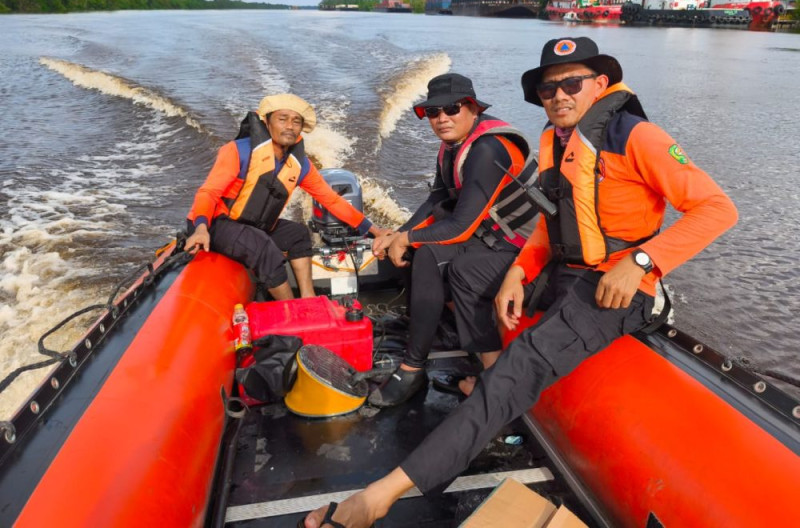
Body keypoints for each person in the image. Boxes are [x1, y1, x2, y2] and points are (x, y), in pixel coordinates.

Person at [303, 37, 738, 527]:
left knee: (523, 363)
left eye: (571, 83)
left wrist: (641, 261)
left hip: (619, 285)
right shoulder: (558, 140)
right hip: (565, 269)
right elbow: (553, 226)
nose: (559, 96)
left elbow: (718, 209)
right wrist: (517, 272)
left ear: (600, 84)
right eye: (549, 88)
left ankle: (379, 496)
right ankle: (488, 384)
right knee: (469, 276)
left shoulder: (637, 136)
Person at [367, 73, 539, 408]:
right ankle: (431, 326)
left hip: (525, 248)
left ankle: (413, 367)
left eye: (452, 109)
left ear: (473, 109)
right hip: (491, 235)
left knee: (432, 256)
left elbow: (459, 226)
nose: (442, 118)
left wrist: (408, 238)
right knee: (417, 251)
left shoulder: (488, 149)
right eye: (433, 112)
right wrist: (398, 234)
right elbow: (436, 199)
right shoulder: (452, 146)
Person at [184, 93, 387, 299]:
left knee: (298, 234)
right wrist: (201, 228)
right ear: (267, 122)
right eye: (282, 119)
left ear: (301, 128)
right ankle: (291, 308)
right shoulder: (236, 151)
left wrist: (374, 231)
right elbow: (208, 192)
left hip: (252, 226)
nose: (290, 126)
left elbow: (331, 200)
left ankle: (308, 298)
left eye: (296, 121)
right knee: (263, 247)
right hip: (215, 223)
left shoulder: (300, 165)